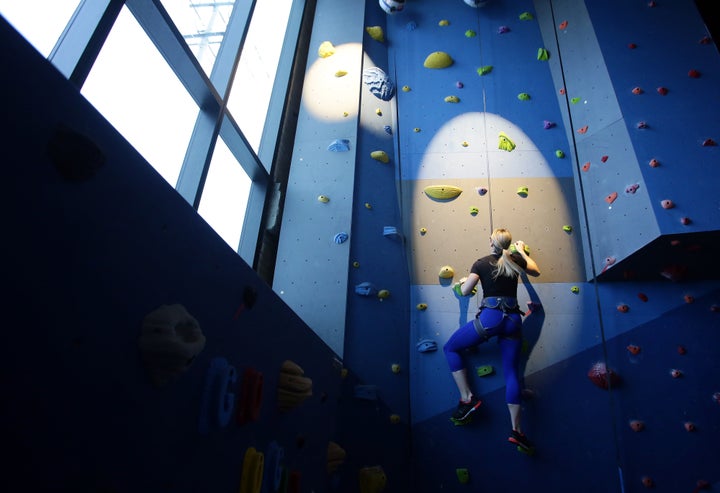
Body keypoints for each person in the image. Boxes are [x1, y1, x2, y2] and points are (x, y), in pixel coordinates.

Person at [443, 228, 540, 451]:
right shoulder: (515, 260)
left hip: (491, 317)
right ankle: (517, 431)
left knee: (450, 348)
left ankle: (467, 398)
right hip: (513, 320)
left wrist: (462, 284)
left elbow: (466, 291)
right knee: (512, 375)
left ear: (491, 242)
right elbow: (535, 270)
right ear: (509, 244)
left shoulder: (481, 262)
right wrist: (522, 252)